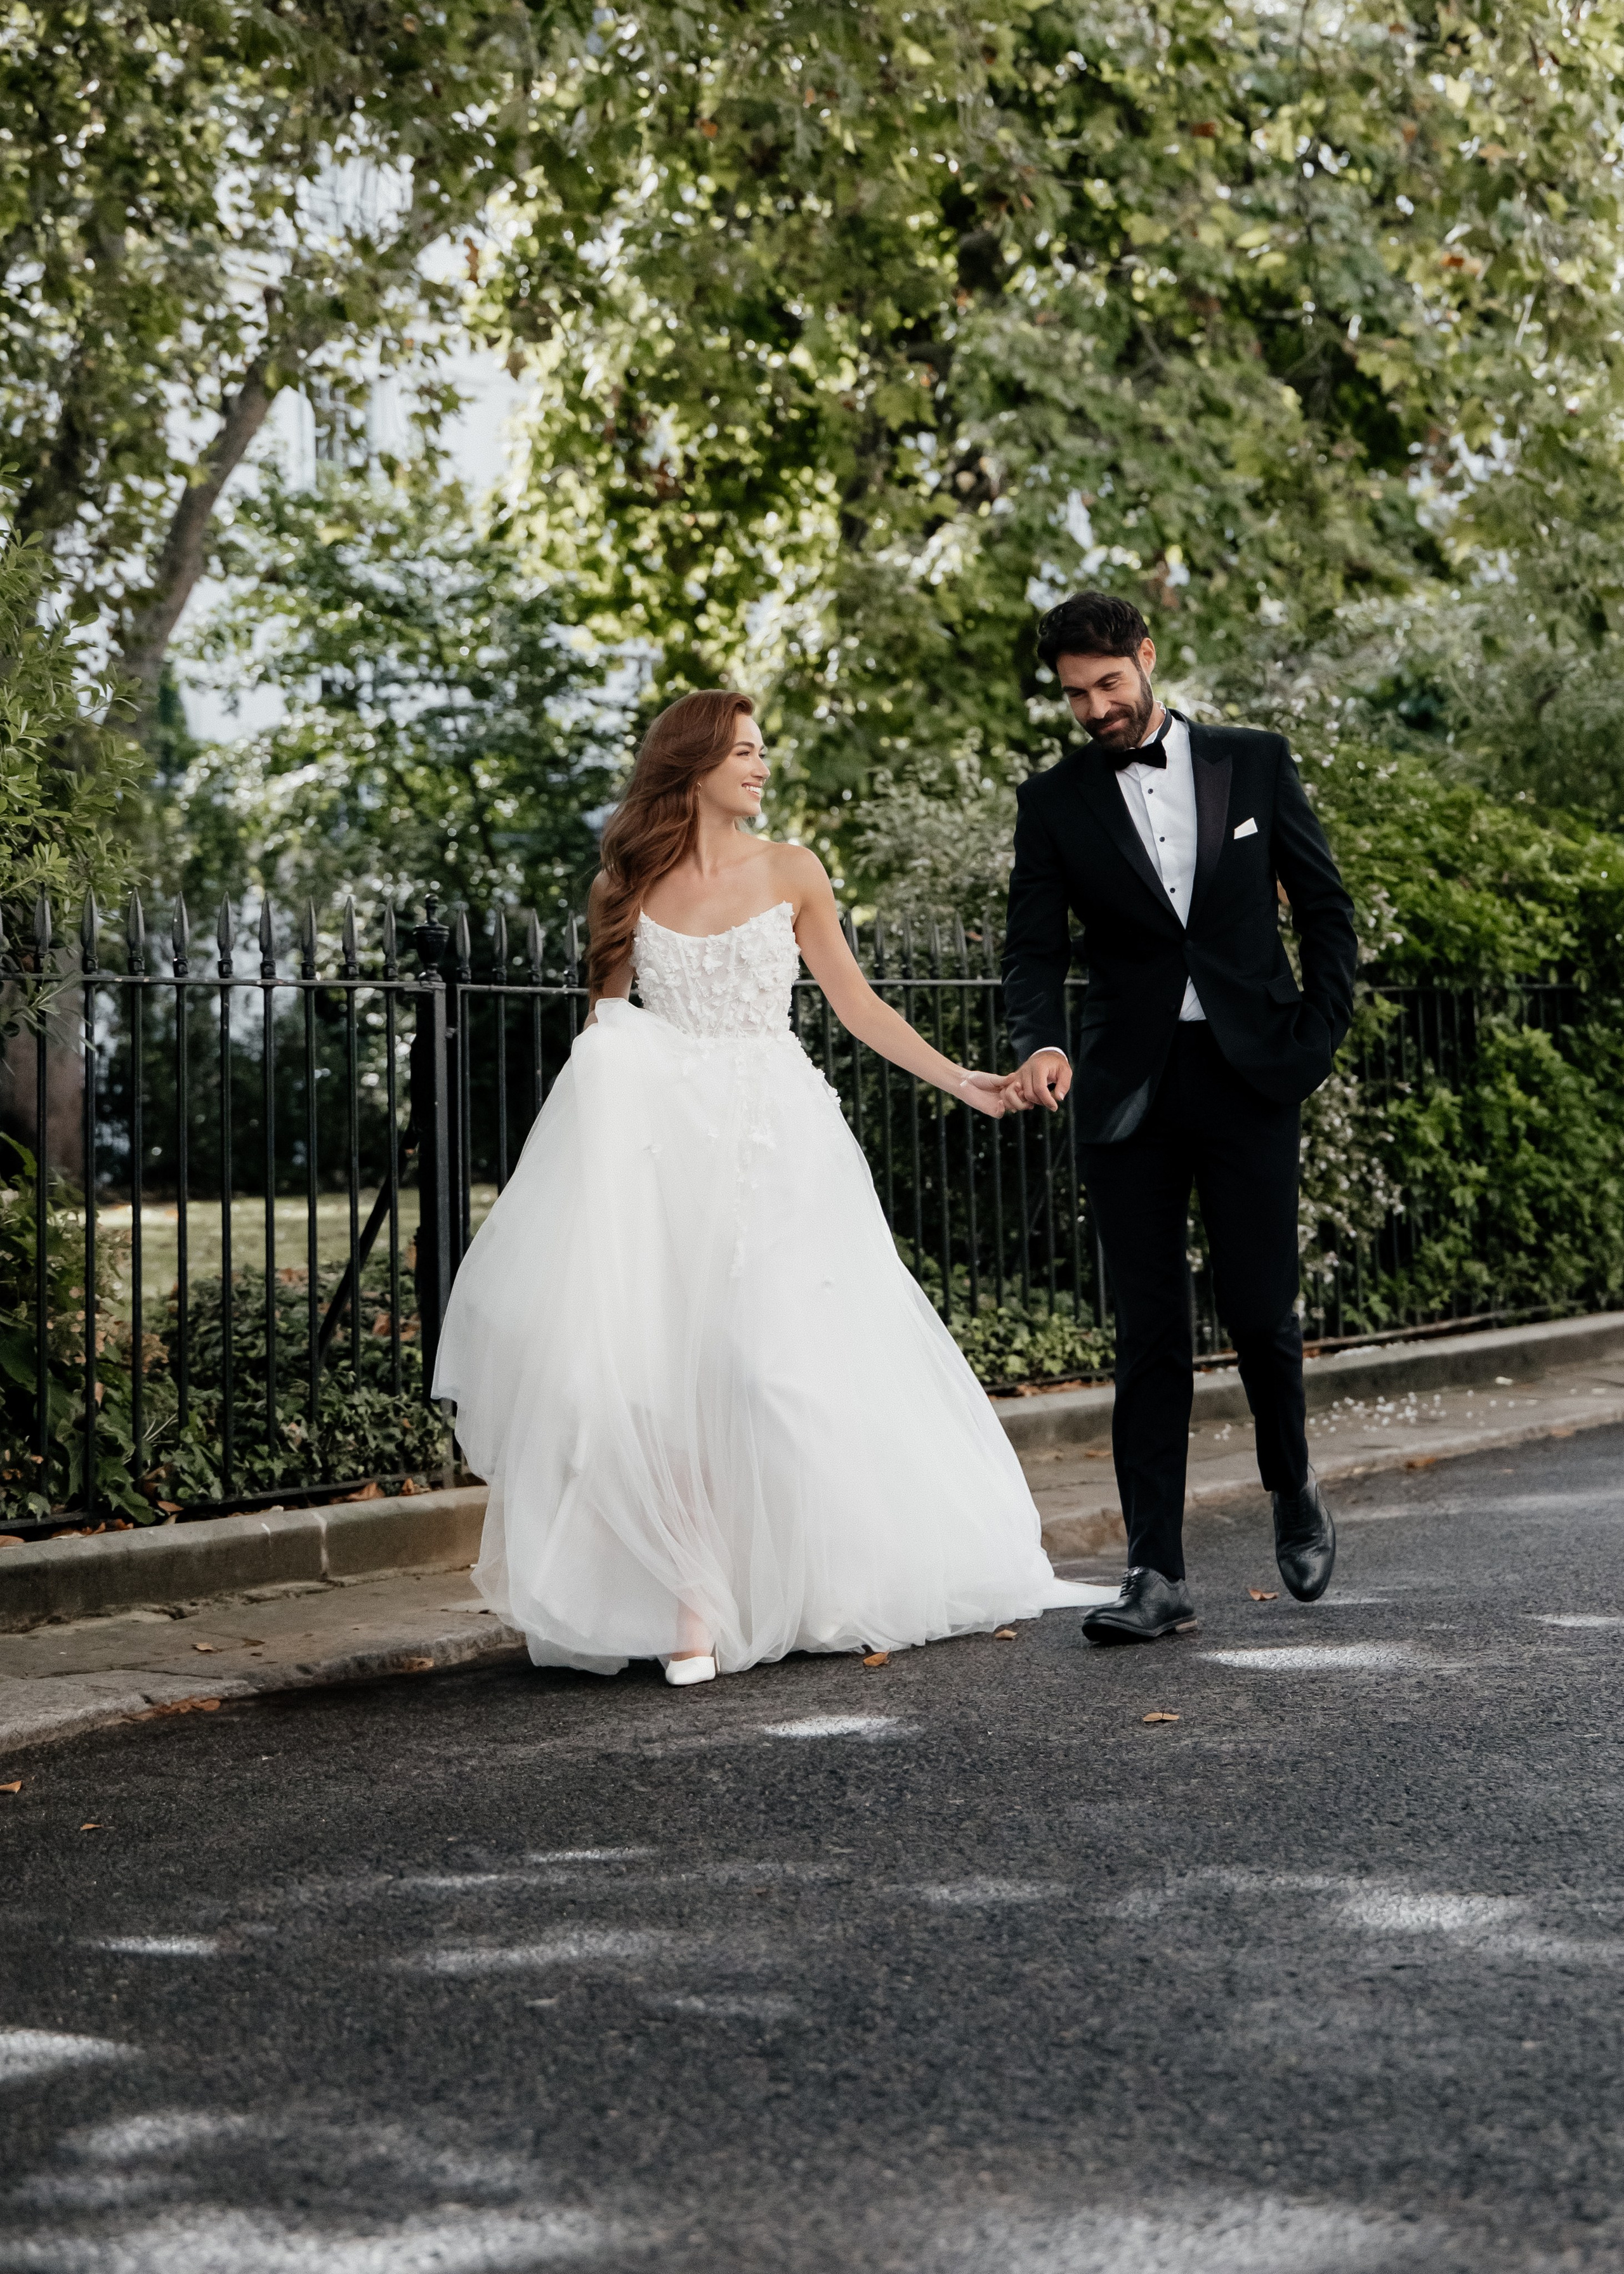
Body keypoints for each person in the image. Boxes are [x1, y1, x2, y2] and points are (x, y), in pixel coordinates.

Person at [433, 690, 1114, 1685]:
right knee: (660, 1377)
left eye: (763, 751)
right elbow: (606, 1030)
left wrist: (964, 1080)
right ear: (694, 762)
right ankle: (691, 1605)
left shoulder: (793, 870)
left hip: (774, 1137)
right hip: (663, 1145)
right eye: (744, 751)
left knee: (767, 1369)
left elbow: (857, 1003)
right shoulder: (625, 881)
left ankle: (826, 1574)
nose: (761, 766)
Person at [1000, 594, 1358, 1643]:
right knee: (1147, 1331)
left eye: (1109, 684)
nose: (1096, 708)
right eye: (1075, 694)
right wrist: (1043, 1042)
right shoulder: (1054, 800)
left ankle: (1291, 1488)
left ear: (1146, 659)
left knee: (1260, 1311)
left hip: (1250, 1075)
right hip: (1126, 1090)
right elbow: (1033, 951)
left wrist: (1315, 1038)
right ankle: (1155, 1570)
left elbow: (1327, 908)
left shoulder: (1253, 759)